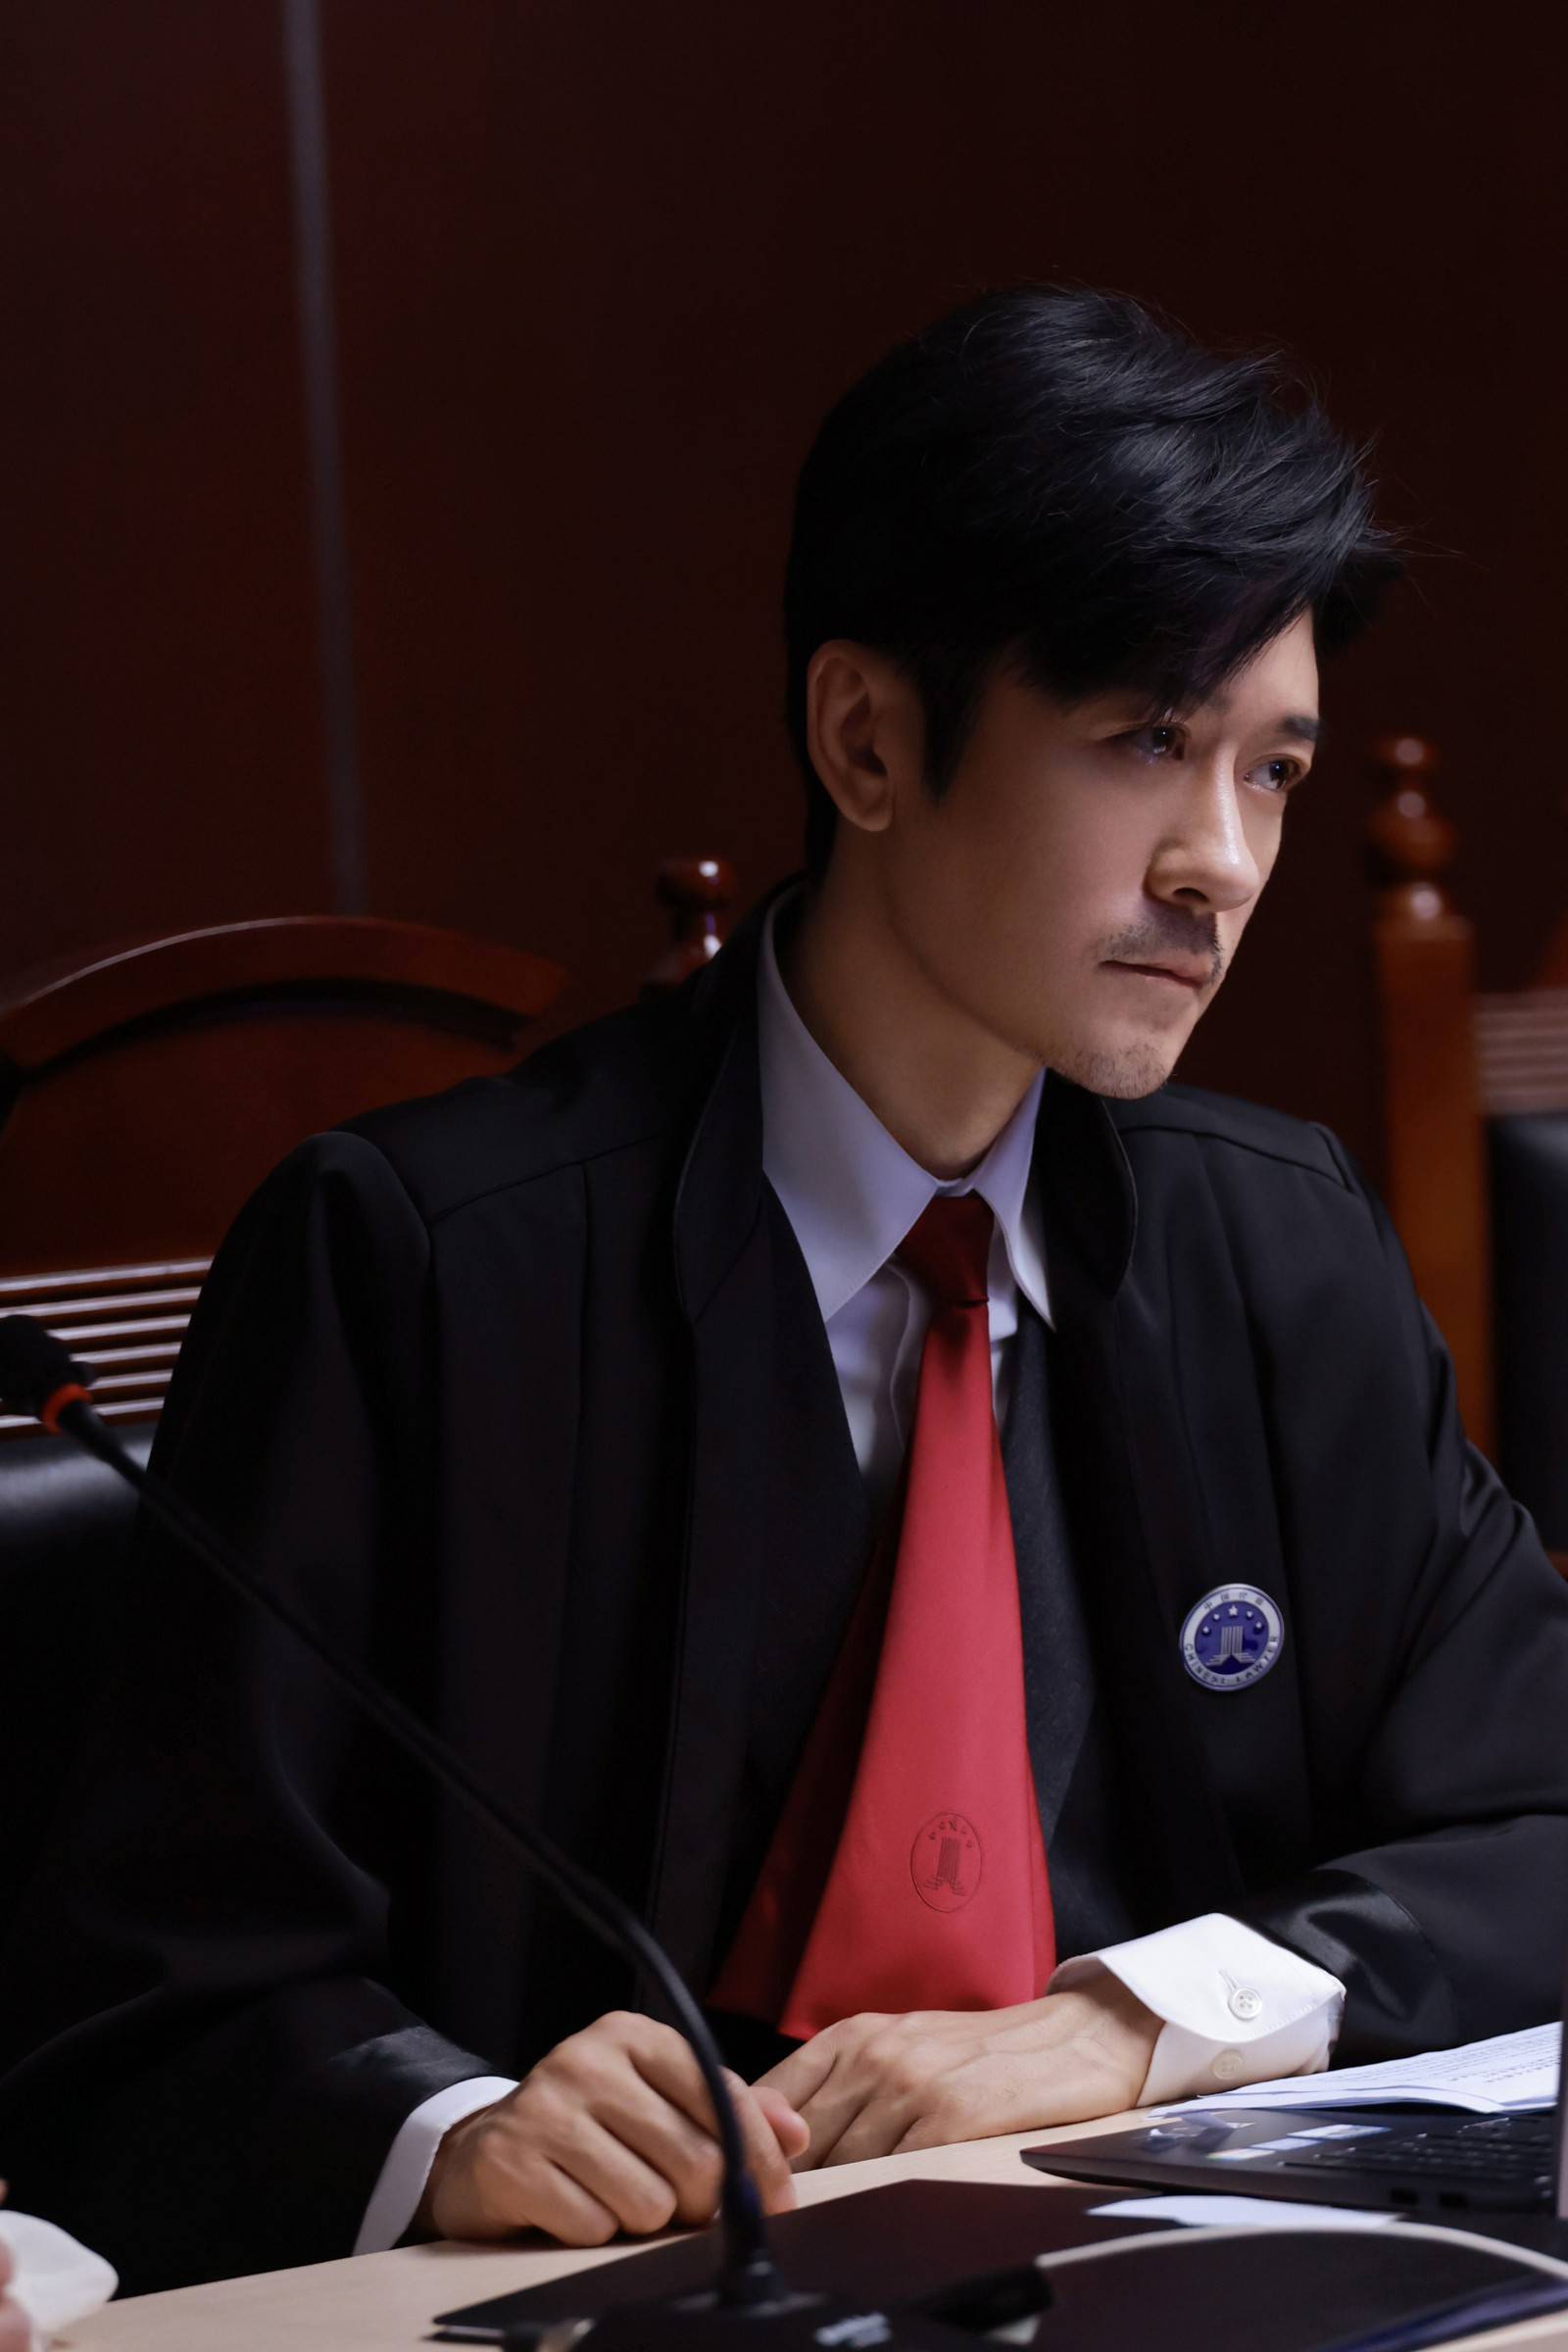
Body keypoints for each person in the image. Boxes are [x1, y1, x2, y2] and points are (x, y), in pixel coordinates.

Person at [3, 284, 1567, 2295]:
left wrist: (1139, 2017)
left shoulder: (1278, 1245)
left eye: (1269, 771)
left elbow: (1537, 1811)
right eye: (1144, 742)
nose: (1220, 863)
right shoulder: (419, 1265)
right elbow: (134, 2006)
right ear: (866, 740)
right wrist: (450, 2125)